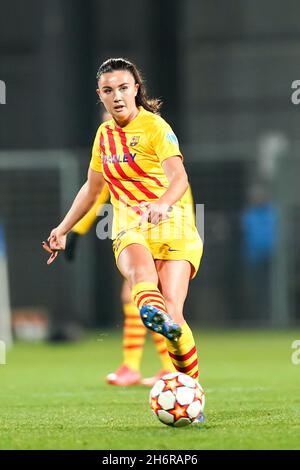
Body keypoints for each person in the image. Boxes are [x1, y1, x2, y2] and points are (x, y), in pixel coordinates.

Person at [43, 58, 203, 397]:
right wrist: (64, 228)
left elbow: (179, 178)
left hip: (174, 227)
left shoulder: (156, 127)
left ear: (136, 89)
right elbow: (93, 188)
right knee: (140, 281)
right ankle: (143, 332)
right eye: (108, 90)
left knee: (174, 314)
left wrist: (161, 204)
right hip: (131, 226)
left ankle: (190, 392)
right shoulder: (103, 135)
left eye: (123, 88)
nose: (116, 95)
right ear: (99, 95)